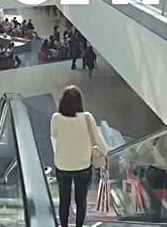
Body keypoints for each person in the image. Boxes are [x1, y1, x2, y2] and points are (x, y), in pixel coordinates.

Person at [51, 86, 108, 227]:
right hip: (83, 166)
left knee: (64, 200)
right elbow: (100, 143)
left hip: (62, 165)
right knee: (81, 200)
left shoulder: (56, 118)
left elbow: (54, 135)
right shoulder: (87, 118)